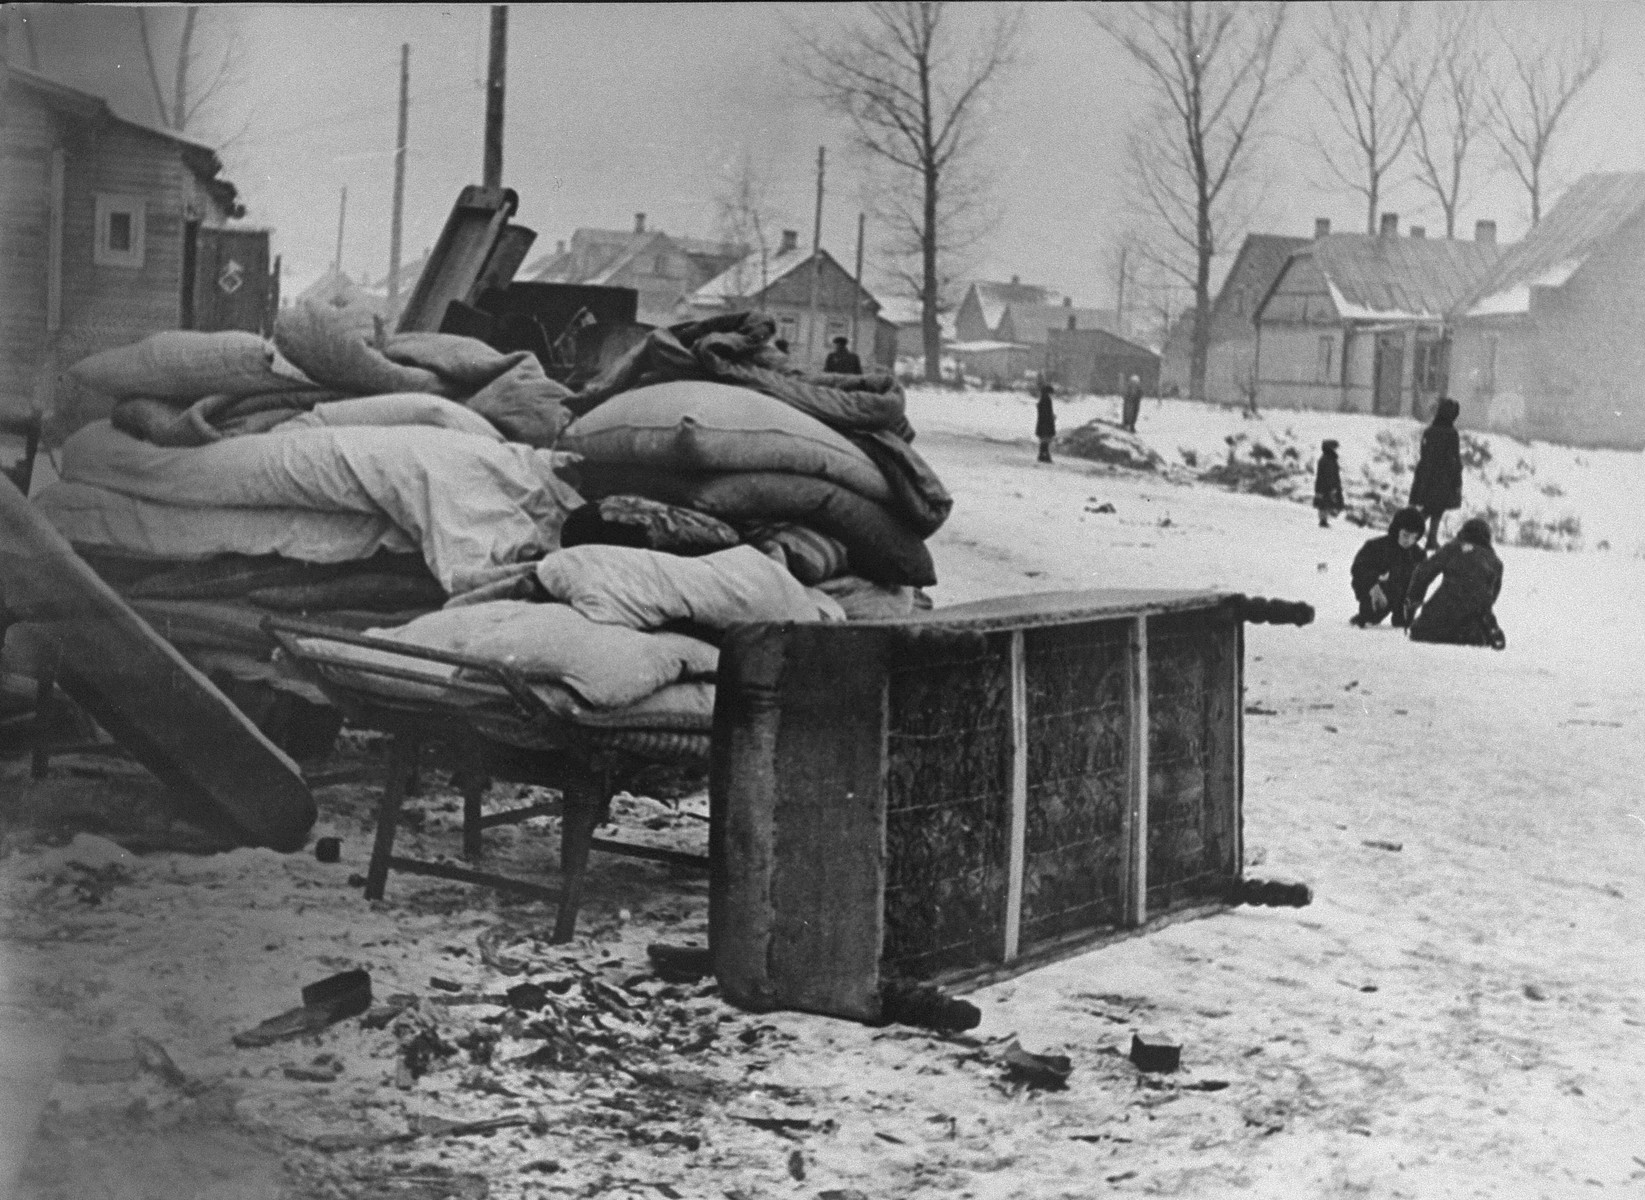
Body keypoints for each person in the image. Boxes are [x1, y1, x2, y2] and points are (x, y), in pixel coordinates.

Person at [1405, 515, 1506, 649]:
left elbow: (1423, 572)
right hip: (1469, 632)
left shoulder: (1452, 548)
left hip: (1433, 626)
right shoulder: (1495, 562)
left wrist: (1413, 601)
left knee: (1420, 630)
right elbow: (1490, 597)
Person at [1349, 506, 1426, 627]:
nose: (1409, 541)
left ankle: (1402, 614)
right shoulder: (1376, 546)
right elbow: (1359, 569)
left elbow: (1421, 582)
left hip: (1403, 597)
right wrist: (1373, 586)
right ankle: (1367, 614)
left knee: (1404, 623)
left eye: (1414, 537)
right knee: (1370, 617)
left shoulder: (1418, 555)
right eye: (1405, 535)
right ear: (1397, 530)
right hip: (1378, 593)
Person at [1409, 396, 1463, 550]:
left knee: (1430, 507)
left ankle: (1413, 531)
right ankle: (1424, 536)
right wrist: (1456, 479)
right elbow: (1453, 459)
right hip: (1443, 478)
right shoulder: (1451, 434)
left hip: (1426, 474)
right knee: (1436, 508)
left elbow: (1425, 453)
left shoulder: (1429, 431)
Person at [1314, 439, 1344, 528]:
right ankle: (1323, 520)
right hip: (1326, 485)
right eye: (1334, 447)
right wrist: (1332, 486)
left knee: (1326, 502)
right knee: (1325, 502)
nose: (1335, 449)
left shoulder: (1328, 458)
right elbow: (1329, 474)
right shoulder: (1327, 459)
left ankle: (1324, 519)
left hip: (1325, 485)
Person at [1035, 377, 1056, 463]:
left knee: (1044, 440)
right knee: (1046, 440)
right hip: (1046, 424)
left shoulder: (1042, 399)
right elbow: (1046, 412)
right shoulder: (1047, 400)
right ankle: (1045, 456)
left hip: (1042, 423)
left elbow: (1043, 412)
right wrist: (1051, 417)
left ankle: (1042, 455)